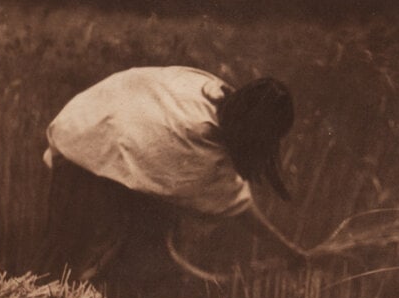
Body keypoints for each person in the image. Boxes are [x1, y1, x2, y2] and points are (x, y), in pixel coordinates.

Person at [34, 65, 306, 286]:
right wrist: (291, 252)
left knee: (127, 253)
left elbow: (237, 200)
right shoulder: (194, 143)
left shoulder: (211, 91)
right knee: (73, 256)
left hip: (93, 115)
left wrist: (290, 251)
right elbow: (237, 207)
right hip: (88, 141)